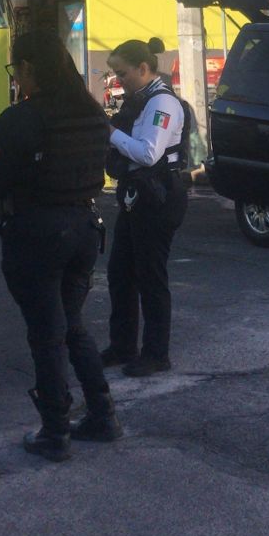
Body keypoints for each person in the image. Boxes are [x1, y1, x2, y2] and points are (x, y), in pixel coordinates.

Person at [0, 31, 122, 461]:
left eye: (16, 70)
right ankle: (102, 412)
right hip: (83, 225)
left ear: (28, 69)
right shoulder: (92, 112)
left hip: (37, 231)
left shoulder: (22, 118)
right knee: (72, 324)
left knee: (46, 333)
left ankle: (55, 429)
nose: (16, 78)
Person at [100, 38, 189, 378]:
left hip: (158, 196)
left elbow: (148, 153)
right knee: (120, 273)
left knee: (150, 276)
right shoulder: (141, 100)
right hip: (138, 194)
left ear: (143, 68)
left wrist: (109, 134)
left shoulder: (161, 102)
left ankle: (156, 353)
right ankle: (122, 346)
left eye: (121, 74)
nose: (117, 81)